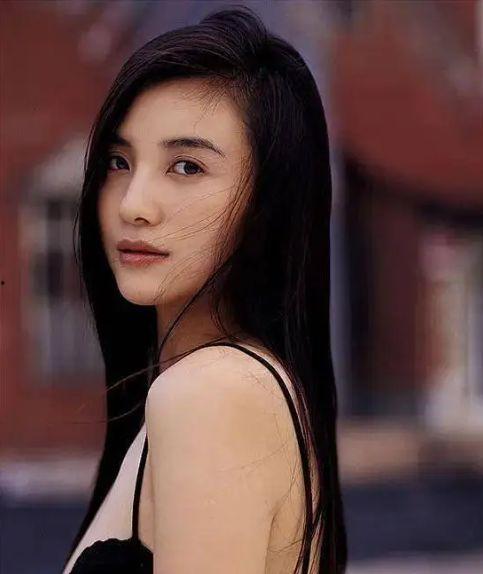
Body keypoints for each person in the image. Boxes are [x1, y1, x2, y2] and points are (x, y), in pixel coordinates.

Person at [61, 6, 347, 574]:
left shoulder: (209, 395)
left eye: (187, 167)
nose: (133, 205)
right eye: (118, 161)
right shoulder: (225, 387)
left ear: (267, 203)